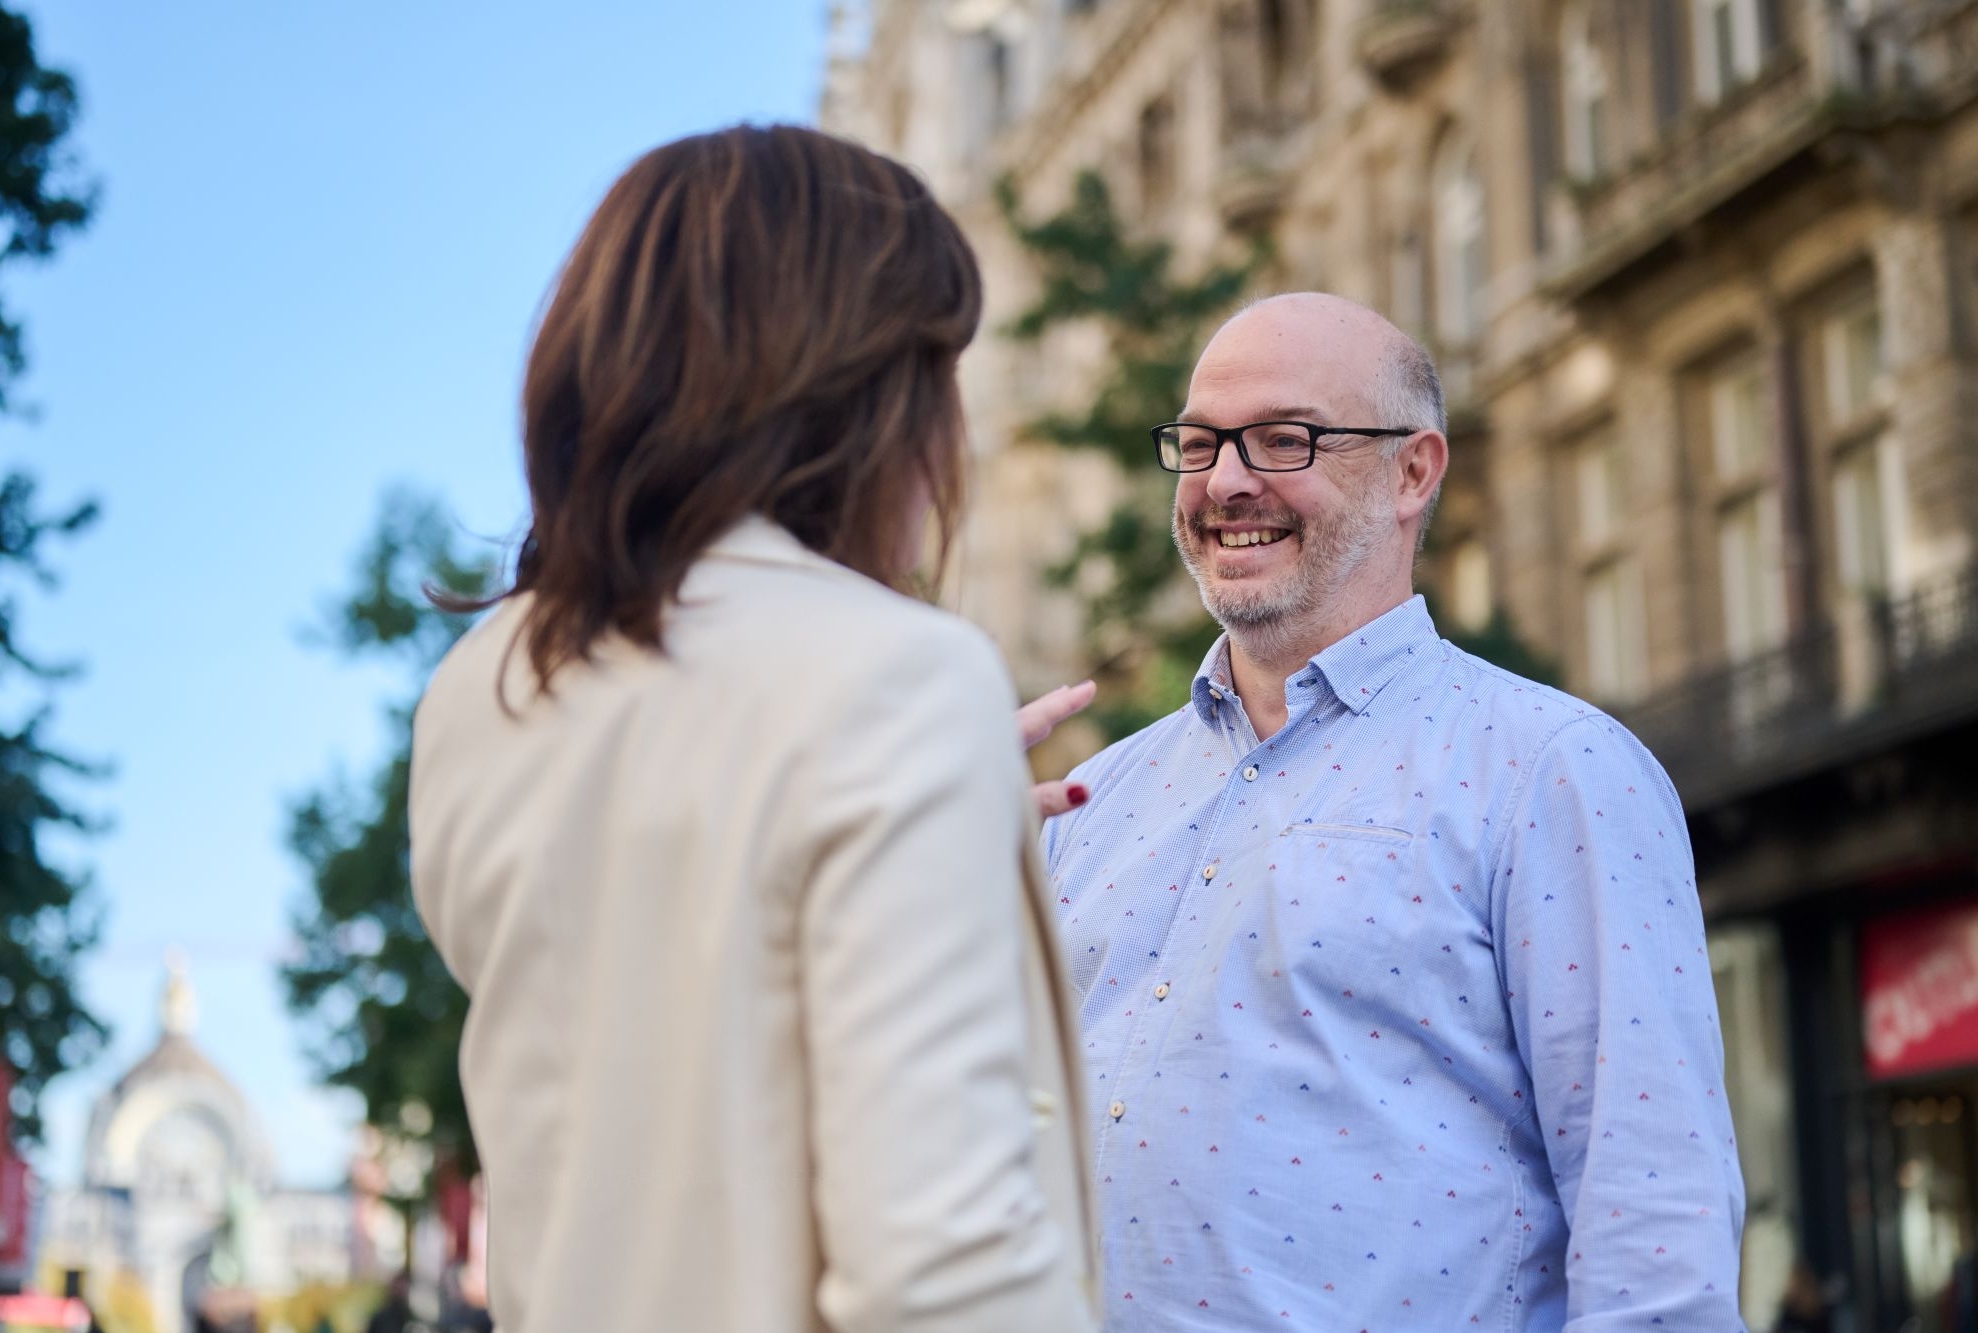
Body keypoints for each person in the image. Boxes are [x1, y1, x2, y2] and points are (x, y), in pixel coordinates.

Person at [408, 125, 1099, 1333]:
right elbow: (943, 1271)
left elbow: (667, 1025)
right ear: (871, 392)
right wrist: (923, 774)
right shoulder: (896, 679)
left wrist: (925, 819)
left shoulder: (482, 689)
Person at [1043, 292, 1747, 1329]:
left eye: (1282, 440)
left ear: (1412, 471)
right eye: (1197, 445)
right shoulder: (1088, 799)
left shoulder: (1552, 769)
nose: (1225, 481)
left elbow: (1653, 1219)